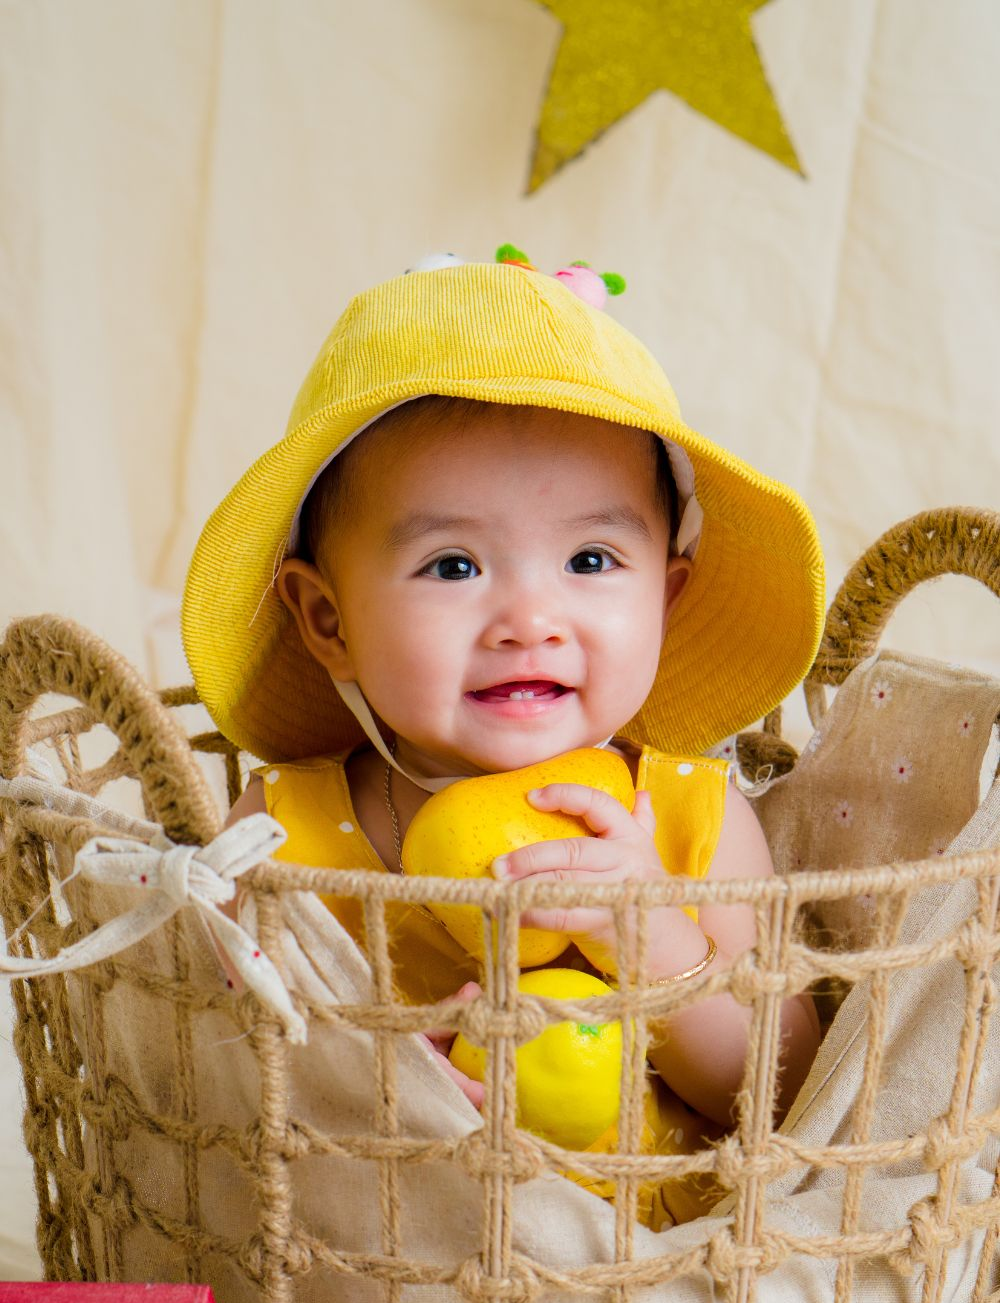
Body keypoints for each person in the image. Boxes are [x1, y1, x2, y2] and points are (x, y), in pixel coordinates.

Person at [182, 249, 824, 1227]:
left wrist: (658, 945)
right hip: (376, 1274)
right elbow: (209, 1082)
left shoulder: (690, 814)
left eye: (591, 558)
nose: (530, 617)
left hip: (647, 1288)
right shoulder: (282, 831)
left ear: (666, 593)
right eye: (451, 566)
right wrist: (379, 1075)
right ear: (327, 620)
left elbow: (788, 1091)